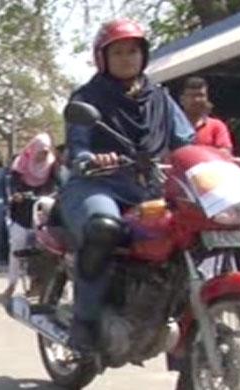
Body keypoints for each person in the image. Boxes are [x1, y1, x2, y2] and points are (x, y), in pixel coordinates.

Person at [60, 19, 194, 352]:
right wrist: (91, 158)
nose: (126, 58)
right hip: (97, 186)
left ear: (143, 55)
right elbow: (78, 145)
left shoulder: (160, 98)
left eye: (132, 51)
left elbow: (186, 141)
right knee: (103, 227)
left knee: (192, 230)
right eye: (117, 52)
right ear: (102, 57)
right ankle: (85, 323)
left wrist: (215, 157)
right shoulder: (88, 96)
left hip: (150, 188)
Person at [0, 133, 59, 299]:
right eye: (41, 151)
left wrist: (51, 196)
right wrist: (16, 195)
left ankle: (37, 285)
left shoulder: (52, 165)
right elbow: (12, 185)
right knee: (17, 245)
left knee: (43, 248)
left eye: (46, 151)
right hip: (22, 212)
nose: (44, 155)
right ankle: (11, 285)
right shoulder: (20, 163)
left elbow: (56, 184)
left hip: (42, 212)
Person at [179, 76, 233, 152]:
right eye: (192, 96)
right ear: (182, 100)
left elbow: (225, 151)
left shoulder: (217, 126)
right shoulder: (172, 127)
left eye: (201, 95)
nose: (197, 100)